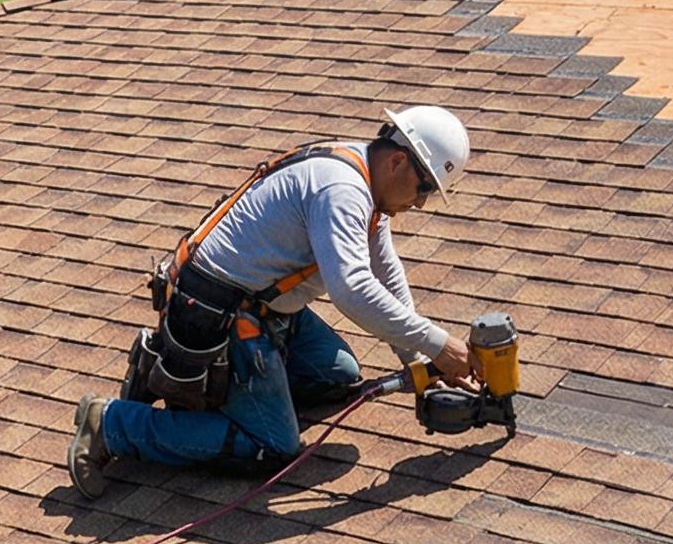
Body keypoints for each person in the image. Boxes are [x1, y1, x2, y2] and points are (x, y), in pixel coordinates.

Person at [69, 105, 479, 496]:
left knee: (338, 375)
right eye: (424, 187)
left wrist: (421, 363)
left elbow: (385, 275)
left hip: (263, 307)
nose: (422, 201)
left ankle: (194, 380)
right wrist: (440, 345)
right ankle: (111, 423)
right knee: (272, 446)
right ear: (398, 162)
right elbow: (352, 288)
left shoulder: (364, 179)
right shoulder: (343, 190)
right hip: (224, 316)